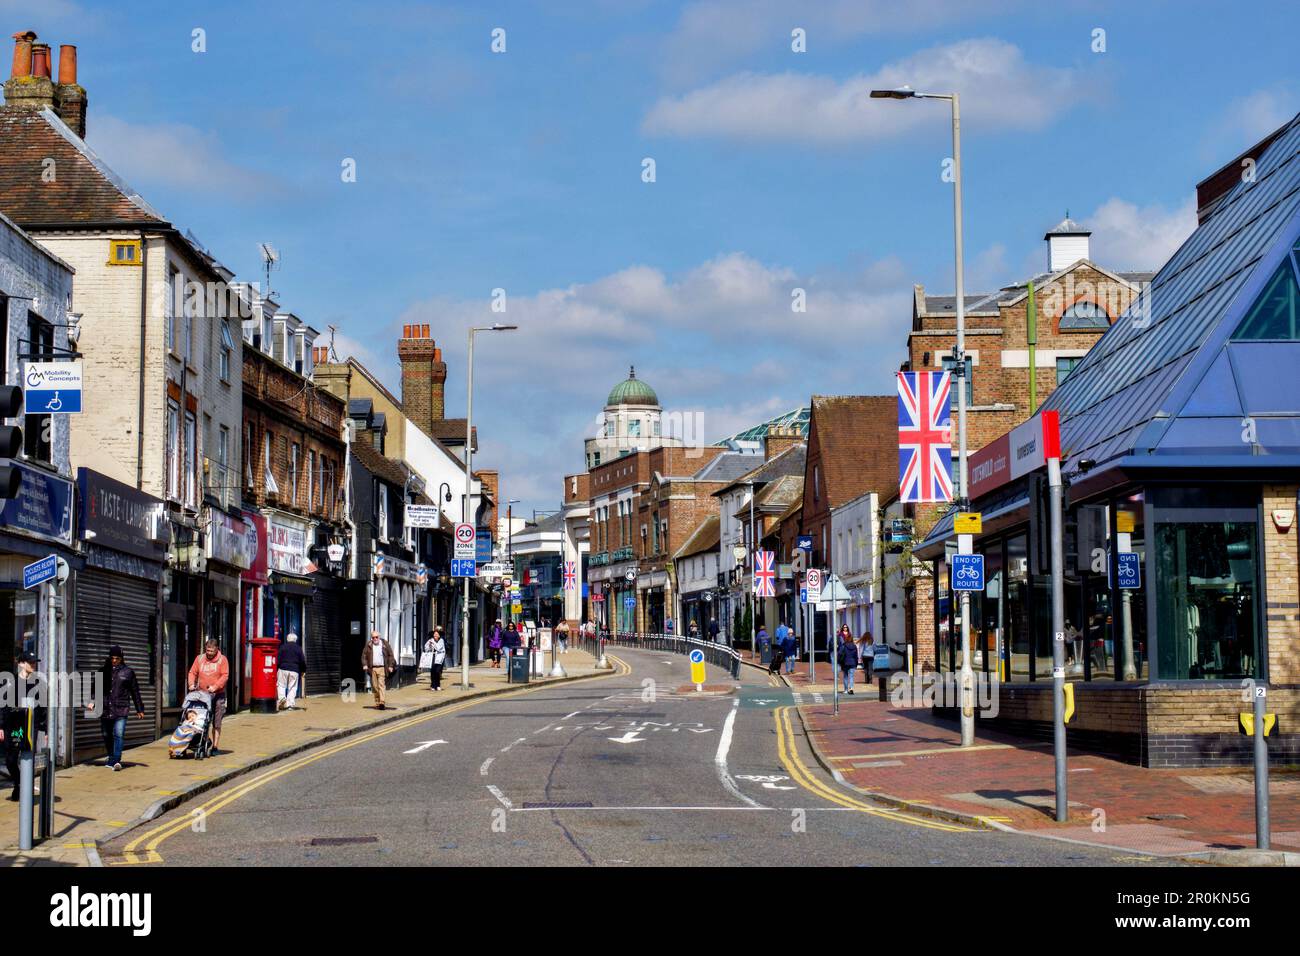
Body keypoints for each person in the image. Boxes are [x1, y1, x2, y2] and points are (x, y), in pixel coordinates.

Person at [88, 645, 144, 771]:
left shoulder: (128, 672)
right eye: (112, 658)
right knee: (106, 734)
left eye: (117, 658)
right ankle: (111, 756)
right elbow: (94, 689)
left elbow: (135, 691)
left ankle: (116, 760)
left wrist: (139, 709)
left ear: (121, 658)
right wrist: (92, 702)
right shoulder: (102, 671)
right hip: (105, 708)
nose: (114, 660)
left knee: (118, 734)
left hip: (121, 708)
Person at [1, 652, 46, 797]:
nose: (33, 665)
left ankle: (23, 790)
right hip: (12, 726)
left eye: (34, 662)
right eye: (30, 662)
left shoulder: (38, 683)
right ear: (20, 663)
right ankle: (19, 783)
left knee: (27, 757)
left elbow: (42, 708)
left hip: (30, 726)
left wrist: (45, 729)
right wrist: (1, 726)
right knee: (10, 759)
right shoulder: (9, 682)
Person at [188, 639, 230, 751]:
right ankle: (204, 742)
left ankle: (215, 746)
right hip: (202, 695)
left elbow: (225, 676)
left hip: (218, 695)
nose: (209, 653)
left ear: (217, 649)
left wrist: (215, 687)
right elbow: (192, 672)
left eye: (211, 651)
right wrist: (191, 684)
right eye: (207, 650)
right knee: (202, 720)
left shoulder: (222, 660)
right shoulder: (200, 659)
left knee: (216, 722)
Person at [361, 630, 397, 708]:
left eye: (376, 637)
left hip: (382, 668)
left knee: (381, 685)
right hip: (372, 668)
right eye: (373, 637)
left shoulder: (384, 644)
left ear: (379, 637)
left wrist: (390, 666)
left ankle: (382, 702)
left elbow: (391, 655)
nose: (375, 639)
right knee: (374, 686)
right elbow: (364, 655)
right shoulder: (369, 644)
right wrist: (364, 664)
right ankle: (377, 702)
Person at [276, 632, 306, 711]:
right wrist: (303, 670)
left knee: (281, 685)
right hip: (294, 670)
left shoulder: (282, 647)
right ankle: (290, 705)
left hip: (283, 669)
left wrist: (277, 668)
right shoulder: (298, 648)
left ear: (287, 639)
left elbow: (278, 659)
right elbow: (302, 661)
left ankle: (282, 698)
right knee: (292, 687)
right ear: (295, 640)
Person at [837, 628, 859, 695]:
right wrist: (856, 663)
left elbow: (840, 654)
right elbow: (856, 655)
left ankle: (846, 690)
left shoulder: (844, 646)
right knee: (851, 676)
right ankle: (851, 688)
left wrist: (839, 662)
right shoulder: (854, 646)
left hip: (845, 663)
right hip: (852, 663)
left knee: (845, 676)